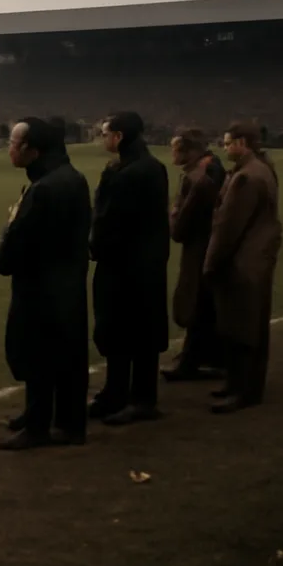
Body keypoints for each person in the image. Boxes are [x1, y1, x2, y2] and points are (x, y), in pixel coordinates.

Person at [0, 117, 92, 450]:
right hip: (67, 281)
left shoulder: (45, 188)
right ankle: (65, 421)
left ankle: (38, 426)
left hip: (43, 285)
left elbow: (22, 239)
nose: (10, 149)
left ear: (33, 150)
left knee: (37, 353)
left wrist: (1, 252)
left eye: (14, 144)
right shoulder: (70, 177)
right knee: (65, 354)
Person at [89, 111, 170, 425]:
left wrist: (96, 246)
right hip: (135, 263)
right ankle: (116, 392)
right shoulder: (143, 167)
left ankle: (142, 399)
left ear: (119, 136)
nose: (103, 138)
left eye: (106, 132)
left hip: (131, 264)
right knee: (120, 331)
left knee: (137, 332)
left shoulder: (132, 173)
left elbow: (113, 221)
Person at [203, 122, 282, 413]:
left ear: (242, 143)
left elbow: (228, 228)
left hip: (242, 263)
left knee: (240, 329)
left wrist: (210, 264)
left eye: (227, 143)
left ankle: (243, 391)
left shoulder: (246, 178)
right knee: (250, 327)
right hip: (257, 259)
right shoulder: (262, 169)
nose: (224, 148)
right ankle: (241, 387)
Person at [162, 128, 227, 380]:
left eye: (175, 148)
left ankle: (190, 361)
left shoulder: (199, 178)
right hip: (209, 246)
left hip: (200, 248)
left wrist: (173, 213)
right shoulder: (213, 168)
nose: (172, 153)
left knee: (196, 303)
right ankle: (209, 357)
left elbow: (179, 229)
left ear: (188, 151)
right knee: (206, 304)